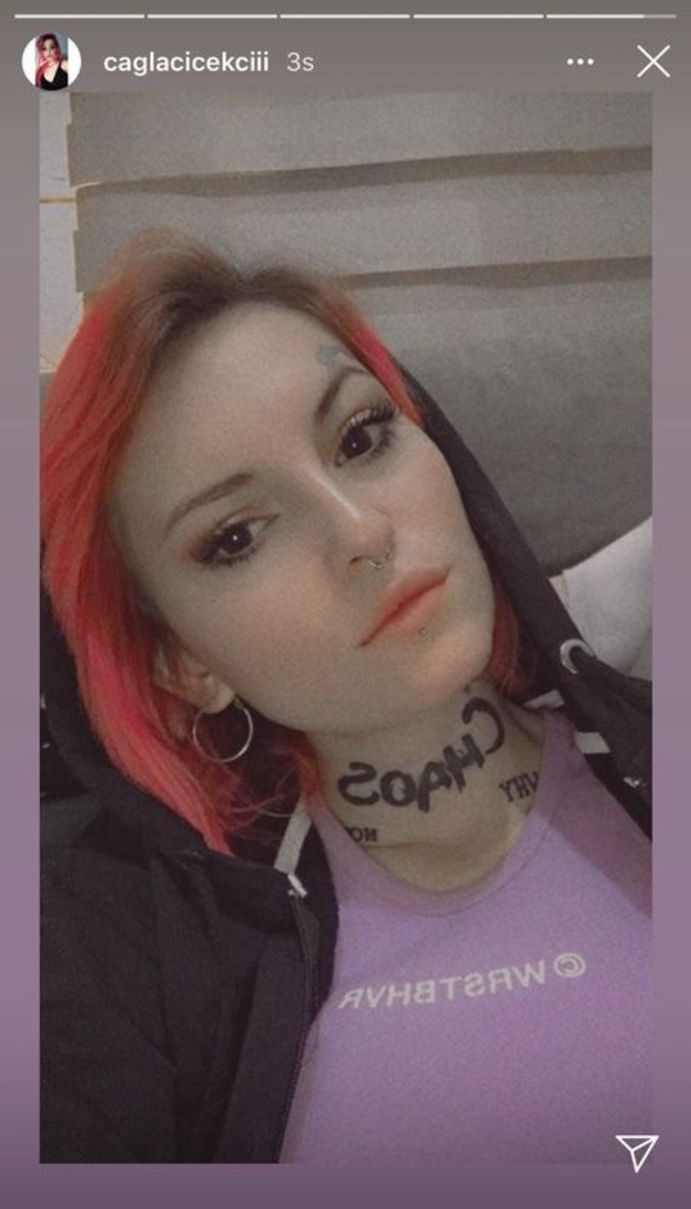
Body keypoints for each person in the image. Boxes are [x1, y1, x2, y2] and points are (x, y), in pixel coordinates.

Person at [40, 231, 651, 1164]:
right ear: (182, 664)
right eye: (237, 535)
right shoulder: (117, 942)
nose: (361, 530)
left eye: (361, 437)